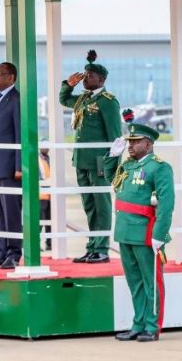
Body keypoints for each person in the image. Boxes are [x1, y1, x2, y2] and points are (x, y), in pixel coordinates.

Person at [105, 122, 174, 342]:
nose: (130, 146)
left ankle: (152, 326)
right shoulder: (128, 166)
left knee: (151, 282)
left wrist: (159, 234)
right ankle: (138, 323)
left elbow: (166, 204)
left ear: (148, 144)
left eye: (135, 142)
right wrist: (112, 157)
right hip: (125, 232)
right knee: (135, 282)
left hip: (146, 233)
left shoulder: (159, 167)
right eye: (129, 142)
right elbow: (111, 179)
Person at [59, 50, 121, 263]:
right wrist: (69, 83)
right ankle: (92, 247)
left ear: (101, 79)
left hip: (100, 162)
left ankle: (102, 249)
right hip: (82, 161)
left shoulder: (108, 102)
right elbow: (64, 99)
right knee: (89, 206)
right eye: (84, 75)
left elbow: (116, 137)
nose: (86, 79)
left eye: (90, 76)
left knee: (102, 206)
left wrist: (113, 165)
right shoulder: (83, 99)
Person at [0, 62, 22, 269]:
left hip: (10, 168)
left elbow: (20, 134)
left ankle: (13, 252)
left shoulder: (16, 100)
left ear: (10, 78)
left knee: (11, 213)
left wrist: (19, 166)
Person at [38, 144, 52, 251]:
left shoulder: (49, 159)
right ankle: (36, 243)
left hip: (50, 193)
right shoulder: (37, 159)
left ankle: (50, 243)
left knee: (49, 220)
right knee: (39, 221)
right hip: (41, 193)